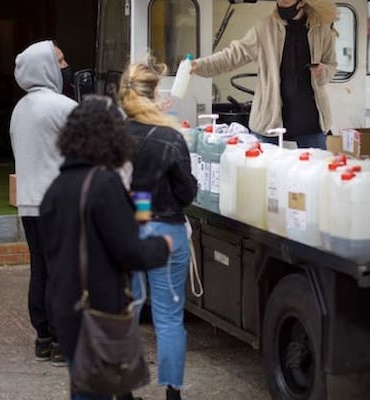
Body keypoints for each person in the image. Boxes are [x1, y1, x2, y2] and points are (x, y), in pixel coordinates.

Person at [39, 96, 173, 400]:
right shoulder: (103, 184)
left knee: (83, 385)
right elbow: (130, 252)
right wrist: (161, 246)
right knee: (94, 391)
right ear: (111, 136)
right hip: (97, 310)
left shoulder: (56, 189)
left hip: (65, 307)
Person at [118, 61, 198, 400]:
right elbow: (186, 192)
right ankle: (172, 392)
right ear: (156, 92)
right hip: (166, 232)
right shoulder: (171, 137)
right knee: (168, 317)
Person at [9, 39, 78, 366]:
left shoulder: (20, 109)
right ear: (45, 67)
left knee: (40, 270)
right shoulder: (63, 106)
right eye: (60, 61)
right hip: (60, 206)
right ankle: (64, 341)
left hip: (29, 204)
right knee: (64, 274)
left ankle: (43, 337)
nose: (65, 67)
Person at [190, 0, 338, 149]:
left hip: (310, 121)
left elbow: (331, 65)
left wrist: (322, 71)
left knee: (314, 170)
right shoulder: (264, 28)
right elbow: (233, 55)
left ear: (301, 2)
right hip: (269, 121)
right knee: (265, 170)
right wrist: (200, 66)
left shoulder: (321, 30)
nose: (282, 1)